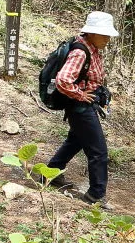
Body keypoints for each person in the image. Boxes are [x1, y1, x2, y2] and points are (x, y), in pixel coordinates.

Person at [43, 12, 119, 209]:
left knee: (75, 141)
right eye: (104, 35)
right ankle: (95, 195)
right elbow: (63, 79)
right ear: (92, 33)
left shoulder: (90, 48)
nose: (107, 39)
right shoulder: (81, 52)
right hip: (80, 107)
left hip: (82, 106)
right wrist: (81, 95)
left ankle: (50, 172)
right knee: (99, 151)